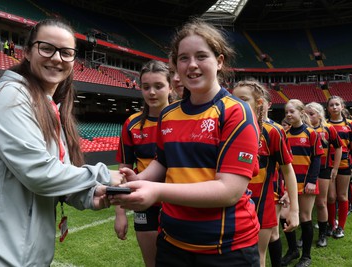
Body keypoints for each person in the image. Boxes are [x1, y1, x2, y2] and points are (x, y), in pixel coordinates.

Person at [0, 18, 123, 266]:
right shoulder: (9, 96)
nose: (57, 58)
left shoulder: (47, 106)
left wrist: (89, 195)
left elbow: (57, 174)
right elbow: (39, 173)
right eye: (46, 48)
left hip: (26, 256)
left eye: (66, 53)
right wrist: (104, 176)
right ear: (27, 51)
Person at [112, 18, 261, 267]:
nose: (192, 65)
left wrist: (157, 191)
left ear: (220, 61)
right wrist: (140, 179)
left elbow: (229, 190)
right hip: (172, 242)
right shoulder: (169, 114)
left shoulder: (236, 112)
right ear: (175, 65)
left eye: (201, 56)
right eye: (183, 58)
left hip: (227, 248)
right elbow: (164, 161)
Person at [232, 80, 299, 267]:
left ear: (259, 103)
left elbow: (288, 171)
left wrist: (294, 210)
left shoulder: (273, 131)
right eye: (234, 99)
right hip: (231, 203)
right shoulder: (226, 128)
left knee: (257, 256)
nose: (238, 104)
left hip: (262, 204)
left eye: (244, 99)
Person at [114, 60, 172, 267]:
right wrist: (120, 214)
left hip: (178, 203)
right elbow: (124, 169)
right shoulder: (132, 123)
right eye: (146, 87)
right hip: (144, 205)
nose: (152, 92)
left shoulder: (182, 120)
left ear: (171, 86)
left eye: (158, 86)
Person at [281, 99, 323, 267]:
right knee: (284, 216)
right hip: (289, 184)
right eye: (286, 112)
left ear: (301, 112)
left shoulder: (311, 133)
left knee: (305, 218)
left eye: (292, 111)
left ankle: (306, 256)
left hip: (307, 183)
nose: (288, 115)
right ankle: (293, 250)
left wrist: (312, 181)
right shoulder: (284, 133)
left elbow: (317, 159)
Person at [305, 102, 342, 248]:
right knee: (306, 206)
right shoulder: (303, 129)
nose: (308, 117)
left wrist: (335, 168)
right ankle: (305, 234)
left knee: (321, 203)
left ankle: (322, 234)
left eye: (311, 114)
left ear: (320, 115)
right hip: (305, 171)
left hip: (323, 170)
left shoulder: (328, 129)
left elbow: (339, 147)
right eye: (306, 114)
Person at [326, 96, 352, 239]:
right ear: (327, 108)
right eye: (331, 105)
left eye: (337, 104)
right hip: (328, 165)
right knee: (330, 197)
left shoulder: (350, 125)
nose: (334, 107)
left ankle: (340, 227)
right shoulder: (325, 124)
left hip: (344, 164)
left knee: (342, 196)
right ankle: (331, 224)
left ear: (342, 107)